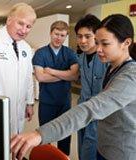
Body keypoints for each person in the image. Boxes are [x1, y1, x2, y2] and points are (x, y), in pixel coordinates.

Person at [11, 14, 136, 160]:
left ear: (126, 43)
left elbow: (92, 106)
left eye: (105, 43)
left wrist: (39, 134)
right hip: (104, 143)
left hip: (121, 150)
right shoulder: (110, 66)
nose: (98, 48)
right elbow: (43, 76)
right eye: (97, 42)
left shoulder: (130, 76)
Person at [0, 3, 36, 135]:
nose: (24, 30)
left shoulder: (26, 47)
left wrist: (30, 102)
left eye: (28, 26)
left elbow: (28, 77)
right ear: (9, 19)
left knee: (15, 144)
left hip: (19, 109)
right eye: (21, 23)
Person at [32, 20, 79, 155]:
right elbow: (40, 77)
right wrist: (66, 75)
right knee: (45, 135)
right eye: (56, 34)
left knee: (64, 134)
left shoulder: (70, 53)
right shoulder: (41, 53)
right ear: (50, 33)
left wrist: (51, 71)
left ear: (66, 36)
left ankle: (63, 157)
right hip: (47, 102)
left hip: (64, 102)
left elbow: (75, 76)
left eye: (63, 35)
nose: (59, 38)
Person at [75, 14, 107, 160]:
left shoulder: (106, 59)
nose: (83, 41)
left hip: (101, 112)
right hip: (82, 107)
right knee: (82, 145)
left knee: (91, 147)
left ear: (97, 36)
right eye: (79, 36)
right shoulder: (80, 58)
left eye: (87, 36)